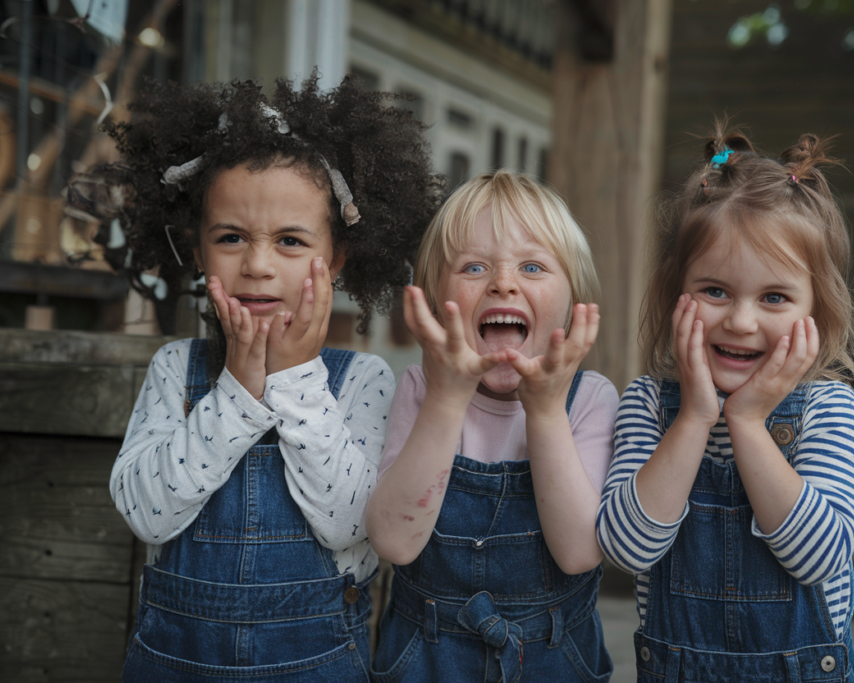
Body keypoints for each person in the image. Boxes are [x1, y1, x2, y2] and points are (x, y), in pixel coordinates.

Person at [84, 76, 439, 681]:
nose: (257, 264)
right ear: (198, 251)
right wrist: (237, 393)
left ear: (339, 259)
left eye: (291, 241)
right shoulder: (177, 369)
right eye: (231, 237)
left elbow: (355, 525)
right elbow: (145, 513)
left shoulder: (363, 380)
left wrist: (297, 375)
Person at [596, 126, 854, 683]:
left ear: (817, 312)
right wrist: (697, 417)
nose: (741, 321)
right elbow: (626, 549)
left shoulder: (830, 409)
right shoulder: (650, 405)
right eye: (715, 291)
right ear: (674, 292)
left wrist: (747, 421)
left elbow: (820, 556)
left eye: (774, 297)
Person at [365, 171, 618, 682]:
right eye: (475, 266)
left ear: (573, 302)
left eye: (532, 266)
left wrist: (545, 410)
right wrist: (448, 396)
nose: (503, 282)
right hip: (427, 659)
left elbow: (578, 553)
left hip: (555, 659)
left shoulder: (590, 399)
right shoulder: (420, 389)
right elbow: (394, 543)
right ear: (436, 302)